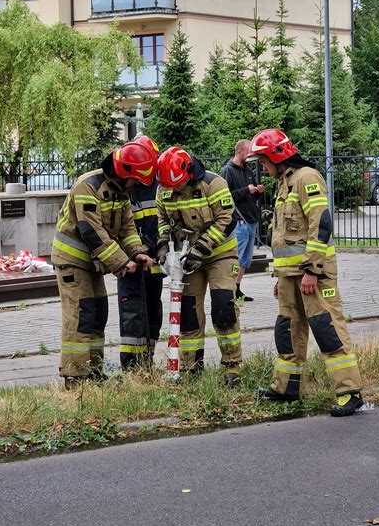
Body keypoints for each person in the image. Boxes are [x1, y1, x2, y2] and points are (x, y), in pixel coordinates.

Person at [247, 128, 363, 417]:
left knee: (327, 327)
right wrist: (280, 275)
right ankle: (286, 388)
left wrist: (312, 269)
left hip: (313, 273)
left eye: (263, 160)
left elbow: (320, 224)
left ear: (276, 156)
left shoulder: (306, 178)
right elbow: (285, 236)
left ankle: (349, 392)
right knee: (287, 330)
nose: (261, 167)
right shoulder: (283, 183)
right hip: (290, 276)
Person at [51, 142, 157, 389]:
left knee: (98, 312)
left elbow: (127, 228)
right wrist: (121, 262)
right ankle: (74, 377)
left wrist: (137, 252)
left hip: (92, 262)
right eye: (134, 180)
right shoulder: (88, 186)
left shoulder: (120, 190)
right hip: (72, 261)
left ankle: (93, 371)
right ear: (124, 173)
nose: (135, 186)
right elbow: (92, 231)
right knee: (81, 314)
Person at [156, 146, 242, 385]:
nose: (173, 191)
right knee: (189, 312)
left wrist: (202, 249)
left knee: (224, 304)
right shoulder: (164, 189)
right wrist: (163, 247)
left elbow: (227, 219)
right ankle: (191, 365)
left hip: (219, 254)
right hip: (186, 257)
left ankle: (232, 366)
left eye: (177, 186)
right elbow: (163, 220)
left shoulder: (213, 184)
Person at [117, 135, 164, 370]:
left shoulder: (160, 186)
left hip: (154, 264)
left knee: (153, 313)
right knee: (132, 315)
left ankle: (148, 361)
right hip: (130, 263)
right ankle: (132, 367)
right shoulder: (125, 187)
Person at [220, 139, 265, 301]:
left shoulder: (247, 171)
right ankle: (229, 289)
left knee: (245, 260)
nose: (250, 156)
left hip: (251, 219)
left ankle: (237, 288)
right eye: (248, 152)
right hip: (239, 220)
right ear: (239, 152)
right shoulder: (228, 171)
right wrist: (247, 190)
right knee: (236, 258)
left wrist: (258, 191)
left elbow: (252, 194)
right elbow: (225, 197)